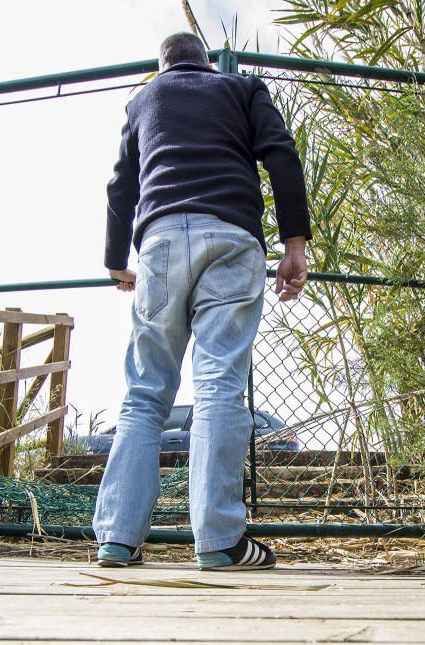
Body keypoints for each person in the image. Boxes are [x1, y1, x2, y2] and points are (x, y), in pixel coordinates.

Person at [92, 32, 310, 571]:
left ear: (161, 66)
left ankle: (118, 539)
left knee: (145, 393)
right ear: (207, 63)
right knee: (218, 387)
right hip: (232, 239)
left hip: (160, 244)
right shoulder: (242, 88)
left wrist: (117, 261)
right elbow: (282, 155)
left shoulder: (143, 100)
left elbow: (121, 185)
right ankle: (218, 541)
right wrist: (294, 244)